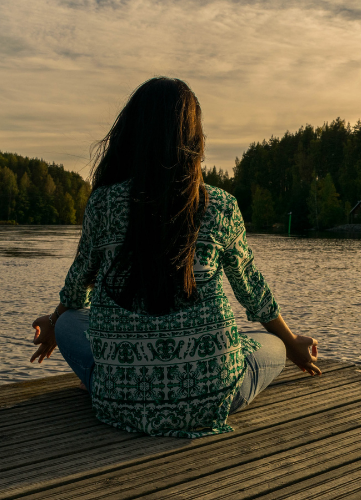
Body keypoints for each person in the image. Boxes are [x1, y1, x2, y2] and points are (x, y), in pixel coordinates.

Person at [30, 77, 321, 438]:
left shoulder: (103, 203)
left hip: (119, 402)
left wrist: (56, 320)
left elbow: (77, 288)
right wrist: (292, 344)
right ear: (194, 139)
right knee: (273, 343)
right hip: (212, 398)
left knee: (72, 321)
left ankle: (119, 383)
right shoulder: (221, 205)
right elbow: (253, 292)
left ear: (132, 133)